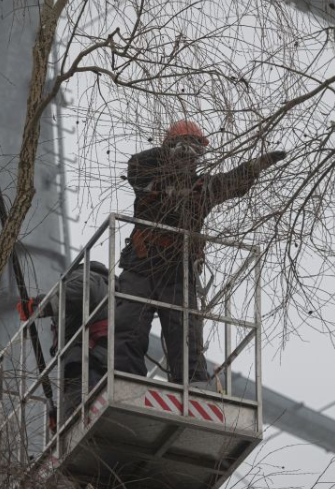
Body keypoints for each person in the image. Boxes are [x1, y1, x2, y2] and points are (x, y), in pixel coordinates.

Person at [114, 119, 286, 386]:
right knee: (128, 326)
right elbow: (135, 166)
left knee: (185, 335)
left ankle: (192, 387)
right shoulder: (148, 176)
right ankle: (124, 381)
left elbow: (231, 183)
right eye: (183, 147)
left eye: (195, 149)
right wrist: (167, 153)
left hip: (178, 271)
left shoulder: (201, 188)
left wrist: (254, 167)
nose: (189, 155)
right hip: (142, 263)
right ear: (169, 147)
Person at [17, 261, 111, 422]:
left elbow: (82, 290)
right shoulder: (112, 292)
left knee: (77, 423)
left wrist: (40, 306)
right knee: (73, 419)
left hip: (88, 362)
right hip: (96, 362)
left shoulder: (87, 276)